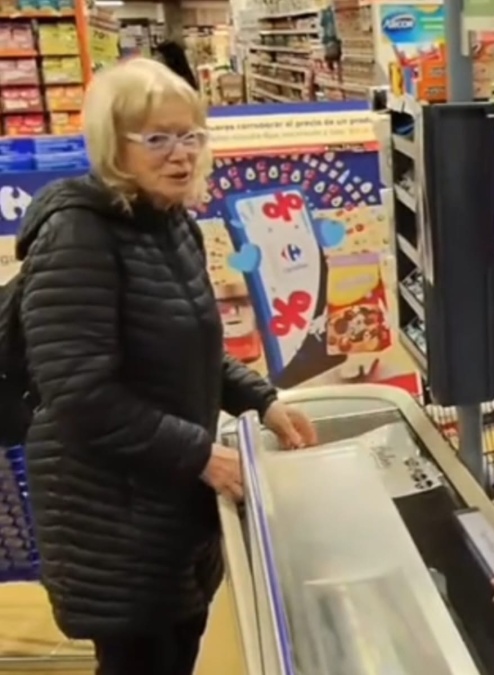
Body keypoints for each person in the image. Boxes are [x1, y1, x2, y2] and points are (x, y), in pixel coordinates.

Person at [17, 57, 317, 675]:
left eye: (191, 136)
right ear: (112, 145)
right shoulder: (77, 235)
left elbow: (193, 348)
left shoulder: (170, 223)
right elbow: (79, 395)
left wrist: (264, 399)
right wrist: (201, 455)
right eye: (156, 138)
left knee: (176, 649)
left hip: (167, 505)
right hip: (110, 519)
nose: (180, 154)